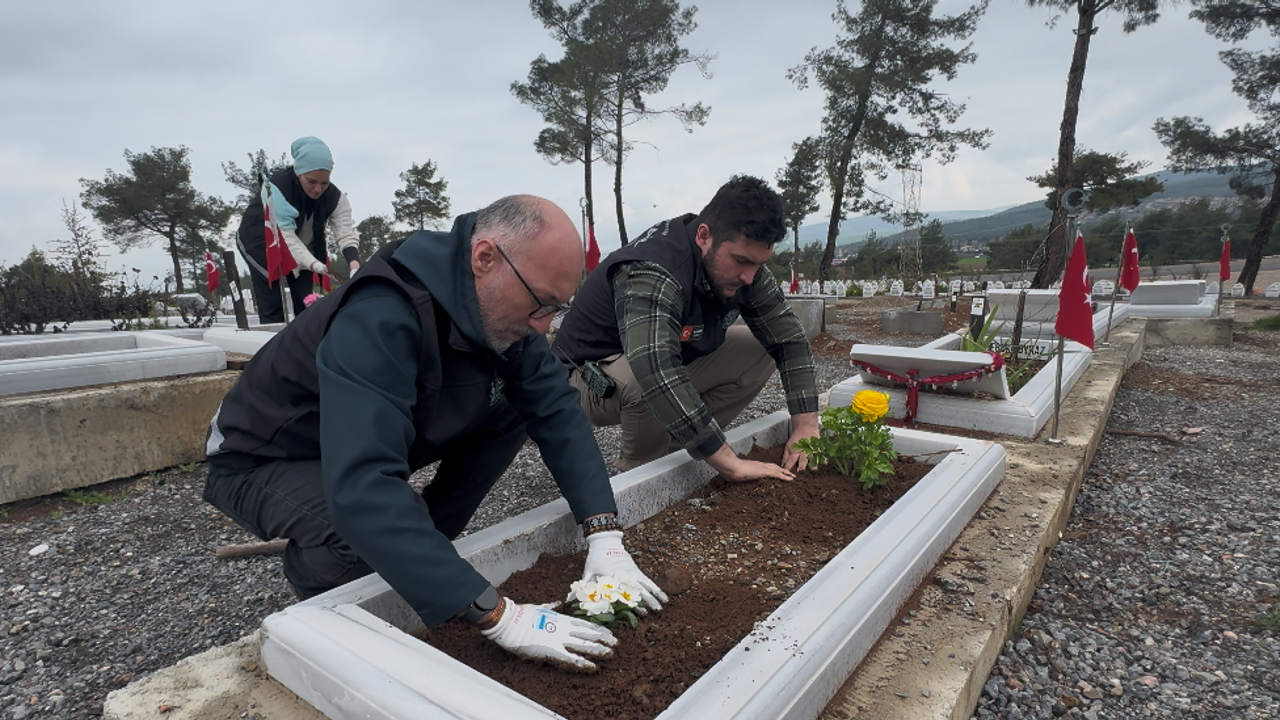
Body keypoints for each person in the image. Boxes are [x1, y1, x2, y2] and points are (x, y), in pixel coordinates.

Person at [205, 195, 666, 671]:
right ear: (485, 258)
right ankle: (330, 589)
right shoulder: (383, 314)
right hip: (263, 457)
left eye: (556, 309)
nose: (543, 325)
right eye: (540, 304)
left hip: (349, 441)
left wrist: (603, 533)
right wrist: (498, 615)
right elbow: (364, 488)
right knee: (354, 531)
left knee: (513, 406)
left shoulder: (495, 308)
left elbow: (556, 408)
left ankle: (425, 549)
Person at [552, 175, 821, 481]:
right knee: (648, 379)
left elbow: (790, 340)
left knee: (759, 349)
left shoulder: (746, 271)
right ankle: (638, 477)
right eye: (741, 261)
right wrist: (731, 464)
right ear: (704, 236)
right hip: (586, 379)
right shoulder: (653, 269)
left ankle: (678, 449)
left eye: (758, 264)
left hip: (650, 363)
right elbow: (654, 367)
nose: (749, 276)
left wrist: (805, 425)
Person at [235, 136, 361, 323]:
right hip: (262, 242)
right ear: (299, 173)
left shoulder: (335, 197)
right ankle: (273, 345)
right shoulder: (277, 188)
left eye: (324, 183)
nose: (318, 189)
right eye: (312, 181)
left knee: (306, 302)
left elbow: (345, 233)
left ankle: (306, 346)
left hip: (302, 248)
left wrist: (354, 265)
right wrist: (315, 264)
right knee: (272, 303)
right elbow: (286, 238)